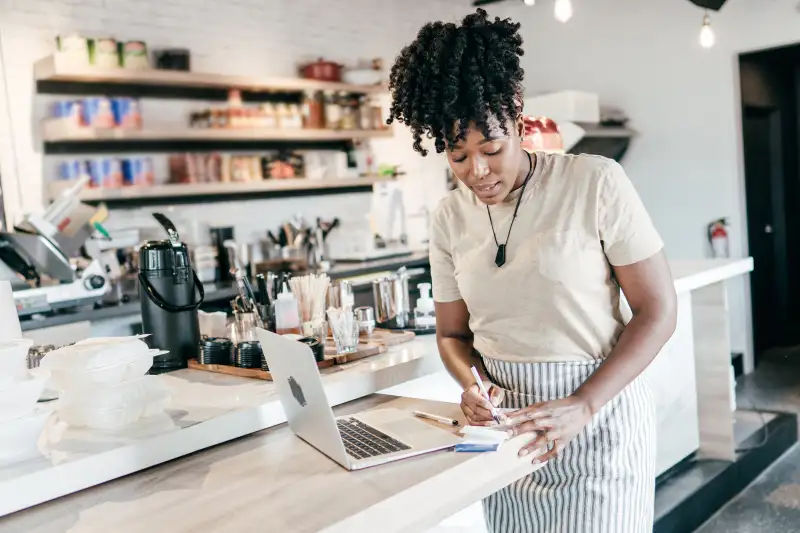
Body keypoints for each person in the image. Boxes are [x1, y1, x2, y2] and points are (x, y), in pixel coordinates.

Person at [386, 9, 678, 533]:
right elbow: (453, 334)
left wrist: (583, 405)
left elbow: (658, 310)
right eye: (457, 156)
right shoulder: (450, 216)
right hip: (508, 438)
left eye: (491, 149)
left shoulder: (595, 182)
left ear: (517, 114)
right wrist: (472, 385)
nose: (477, 171)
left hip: (598, 424)